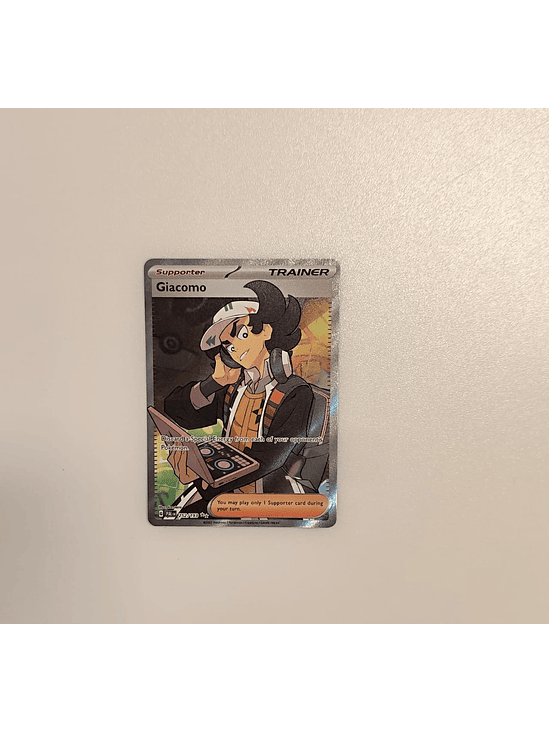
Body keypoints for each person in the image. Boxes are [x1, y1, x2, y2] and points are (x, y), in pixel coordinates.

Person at [164, 280, 315, 508]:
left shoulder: (296, 393)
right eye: (226, 343)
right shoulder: (233, 388)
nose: (232, 347)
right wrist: (213, 383)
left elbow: (270, 458)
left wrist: (206, 480)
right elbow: (175, 411)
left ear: (266, 330)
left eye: (240, 334)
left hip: (270, 497)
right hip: (223, 486)